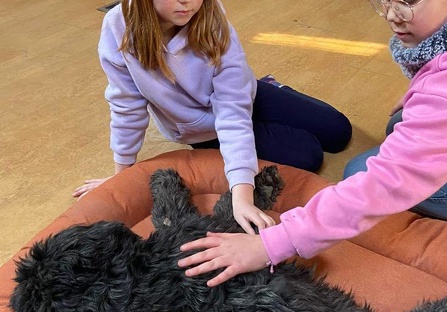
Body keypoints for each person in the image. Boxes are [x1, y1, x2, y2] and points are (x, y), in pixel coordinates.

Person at [178, 0, 447, 286]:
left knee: (355, 167)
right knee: (387, 125)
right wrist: (423, 98)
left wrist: (269, 246)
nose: (390, 14)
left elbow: (379, 187)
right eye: (382, 0)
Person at [72, 0, 352, 234]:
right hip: (205, 129)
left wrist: (241, 198)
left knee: (339, 130)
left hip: (240, 98)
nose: (188, 2)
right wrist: (122, 176)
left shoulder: (211, 18)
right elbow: (126, 106)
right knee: (309, 155)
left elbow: (233, 110)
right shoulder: (117, 28)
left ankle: (271, 86)